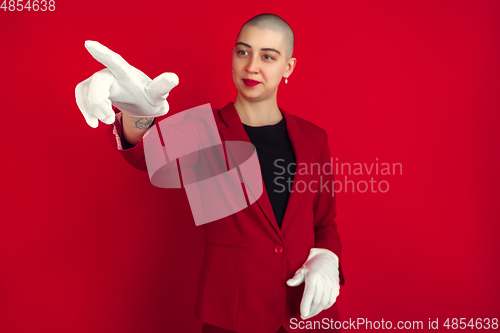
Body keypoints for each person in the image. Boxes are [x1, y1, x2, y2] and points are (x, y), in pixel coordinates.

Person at [76, 13, 344, 333]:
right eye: (243, 52)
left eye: (268, 56)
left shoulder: (314, 138)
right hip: (232, 317)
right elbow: (145, 155)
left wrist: (328, 259)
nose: (252, 66)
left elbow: (324, 222)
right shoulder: (203, 128)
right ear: (232, 57)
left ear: (288, 67)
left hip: (307, 313)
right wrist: (138, 115)